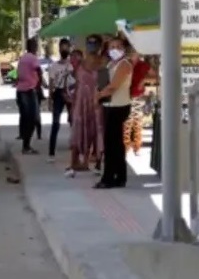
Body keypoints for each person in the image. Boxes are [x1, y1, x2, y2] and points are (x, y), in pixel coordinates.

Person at [93, 36, 134, 189]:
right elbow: (104, 82)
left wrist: (98, 96)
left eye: (118, 46)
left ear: (123, 48)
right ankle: (119, 176)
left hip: (119, 106)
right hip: (110, 105)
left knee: (112, 144)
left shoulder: (124, 64)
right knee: (114, 143)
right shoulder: (111, 64)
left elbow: (113, 86)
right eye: (111, 47)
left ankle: (109, 178)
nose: (114, 49)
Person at [68, 39, 101, 176]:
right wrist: (73, 101)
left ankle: (87, 161)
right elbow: (76, 84)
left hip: (94, 101)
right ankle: (74, 162)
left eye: (94, 43)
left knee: (93, 130)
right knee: (78, 130)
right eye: (89, 43)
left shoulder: (103, 62)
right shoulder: (80, 63)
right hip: (80, 100)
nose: (91, 46)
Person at [46, 38, 74, 162]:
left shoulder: (73, 65)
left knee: (74, 121)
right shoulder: (54, 66)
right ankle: (51, 152)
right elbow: (51, 83)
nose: (64, 49)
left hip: (71, 93)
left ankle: (75, 147)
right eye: (62, 47)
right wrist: (50, 98)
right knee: (55, 123)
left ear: (69, 48)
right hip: (58, 93)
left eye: (66, 47)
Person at [15, 38, 44, 154]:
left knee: (25, 117)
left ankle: (25, 142)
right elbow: (39, 71)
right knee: (33, 118)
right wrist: (39, 86)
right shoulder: (33, 58)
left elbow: (19, 74)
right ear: (34, 47)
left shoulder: (22, 58)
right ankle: (26, 145)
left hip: (20, 91)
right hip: (29, 91)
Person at [124, 46, 152, 156]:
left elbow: (155, 76)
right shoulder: (125, 64)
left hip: (138, 96)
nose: (131, 54)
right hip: (126, 95)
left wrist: (144, 81)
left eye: (133, 52)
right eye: (129, 52)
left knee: (137, 122)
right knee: (127, 123)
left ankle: (137, 146)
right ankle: (126, 147)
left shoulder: (143, 65)